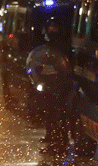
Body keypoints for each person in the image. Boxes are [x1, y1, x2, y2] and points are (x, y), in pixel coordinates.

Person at [27, 15, 71, 157]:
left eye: (54, 27)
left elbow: (63, 65)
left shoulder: (63, 45)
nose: (52, 29)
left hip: (60, 87)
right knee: (50, 115)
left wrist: (54, 72)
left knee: (58, 117)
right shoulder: (47, 45)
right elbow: (38, 60)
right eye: (50, 27)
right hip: (48, 86)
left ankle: (59, 145)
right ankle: (52, 139)